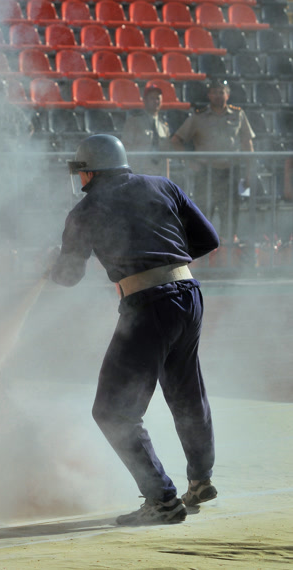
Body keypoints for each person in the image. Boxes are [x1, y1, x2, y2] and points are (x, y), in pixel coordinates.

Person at [47, 134, 220, 526]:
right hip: (189, 295)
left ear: (90, 171)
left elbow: (69, 275)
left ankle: (161, 501)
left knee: (112, 412)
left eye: (82, 172)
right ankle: (201, 479)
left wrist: (49, 267)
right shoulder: (163, 185)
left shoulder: (85, 211)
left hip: (147, 307)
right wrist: (166, 262)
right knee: (186, 391)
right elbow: (208, 239)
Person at [171, 78, 255, 242]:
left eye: (221, 92)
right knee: (203, 215)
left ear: (227, 95)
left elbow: (247, 144)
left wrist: (249, 172)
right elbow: (176, 140)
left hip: (231, 173)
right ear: (209, 95)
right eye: (214, 92)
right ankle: (202, 259)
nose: (218, 96)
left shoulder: (238, 115)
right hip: (206, 174)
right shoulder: (198, 117)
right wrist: (189, 162)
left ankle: (227, 259)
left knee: (230, 217)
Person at [121, 81, 171, 177]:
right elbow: (126, 149)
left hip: (158, 175)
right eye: (152, 98)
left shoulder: (164, 127)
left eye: (158, 98)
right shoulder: (133, 122)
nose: (156, 101)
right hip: (138, 174)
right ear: (144, 100)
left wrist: (167, 179)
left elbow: (166, 157)